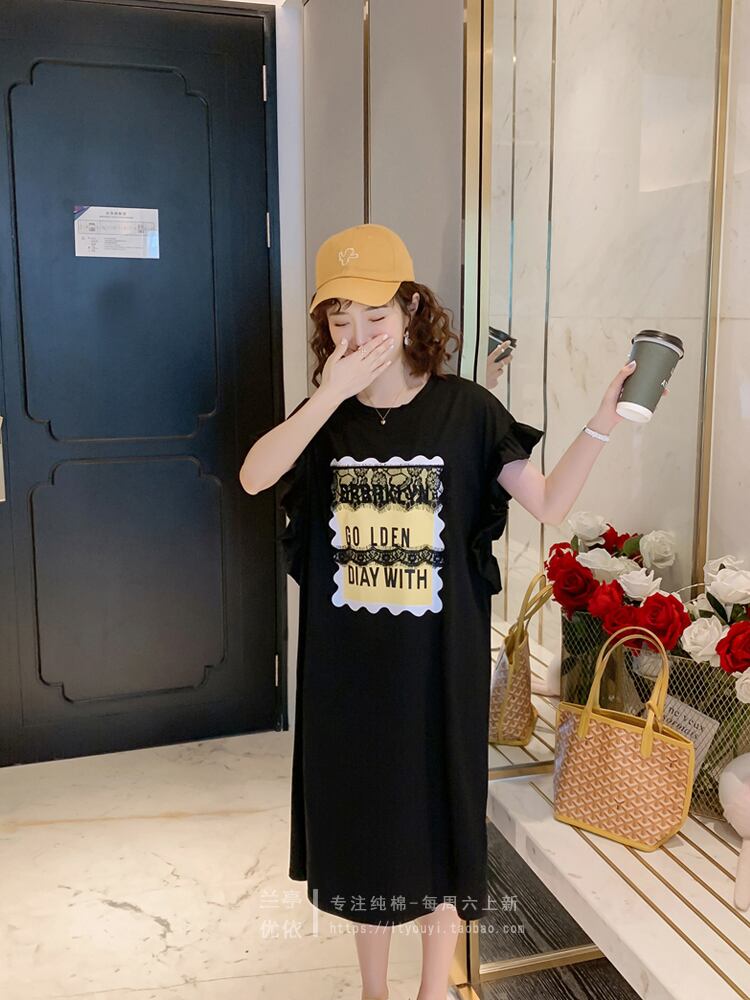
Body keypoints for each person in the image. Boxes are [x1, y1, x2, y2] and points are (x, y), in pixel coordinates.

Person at [239, 223, 662, 1000]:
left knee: (439, 826)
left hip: (439, 667)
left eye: (375, 315)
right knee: (362, 832)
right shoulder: (324, 417)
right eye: (340, 318)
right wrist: (327, 394)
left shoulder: (467, 411)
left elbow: (549, 502)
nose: (358, 335)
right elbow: (255, 476)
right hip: (347, 673)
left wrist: (602, 419)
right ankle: (375, 991)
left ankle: (434, 990)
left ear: (410, 310)